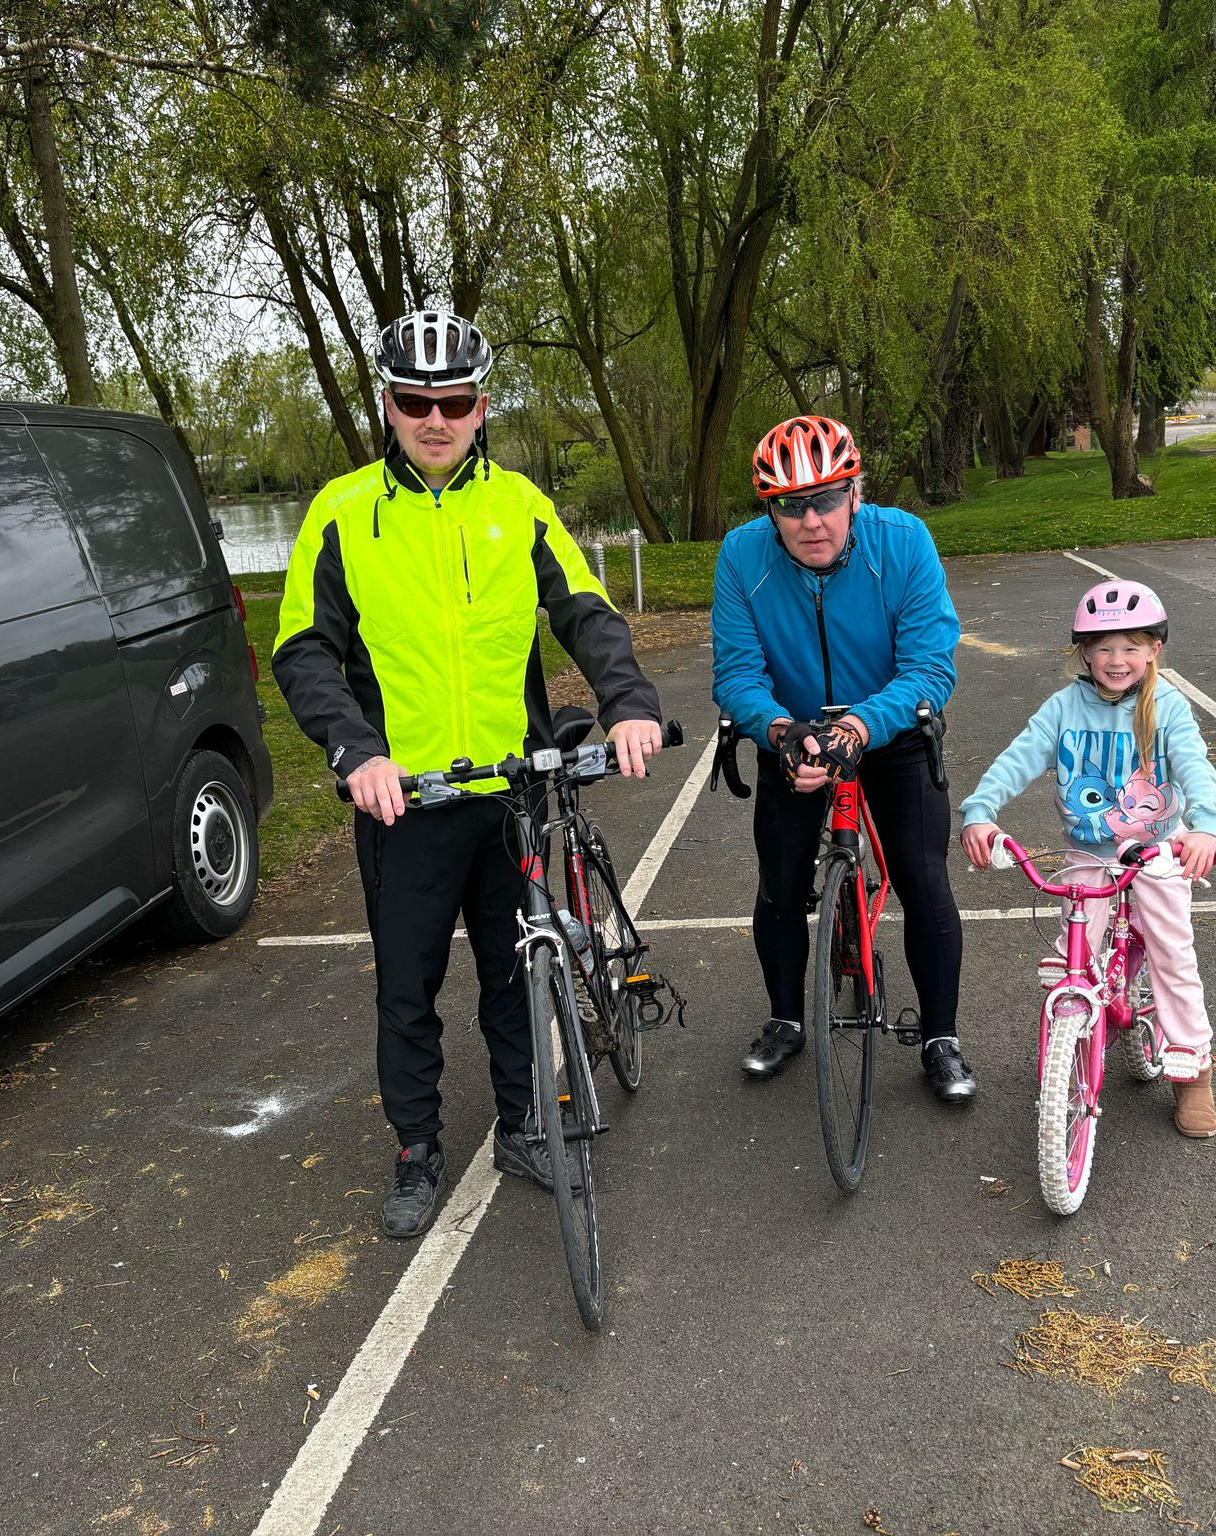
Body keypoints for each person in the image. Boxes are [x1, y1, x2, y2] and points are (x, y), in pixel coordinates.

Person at [273, 309, 665, 1238]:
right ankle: (417, 1147)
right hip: (403, 799)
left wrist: (628, 700)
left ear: (482, 407)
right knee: (406, 988)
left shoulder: (519, 506)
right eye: (416, 402)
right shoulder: (343, 512)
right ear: (388, 405)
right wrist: (356, 750)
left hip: (509, 790)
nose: (435, 419)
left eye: (454, 402)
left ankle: (524, 1123)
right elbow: (302, 648)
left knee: (513, 970)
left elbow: (585, 608)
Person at [710, 414, 972, 1102]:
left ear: (856, 493)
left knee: (923, 879)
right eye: (790, 505)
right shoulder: (742, 555)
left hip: (890, 730)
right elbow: (737, 672)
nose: (811, 521)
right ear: (769, 509)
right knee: (779, 884)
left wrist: (860, 726)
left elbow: (930, 665)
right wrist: (779, 731)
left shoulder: (903, 541)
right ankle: (785, 1018)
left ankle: (941, 1037)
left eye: (826, 499)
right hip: (794, 735)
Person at [958, 580, 1216, 1137]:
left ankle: (1193, 1070)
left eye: (1131, 646)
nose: (1116, 659)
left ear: (1154, 649)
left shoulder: (1168, 707)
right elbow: (1018, 758)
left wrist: (1205, 827)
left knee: (1172, 955)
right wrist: (981, 809)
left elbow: (1195, 767)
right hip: (1088, 850)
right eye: (1103, 647)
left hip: (1158, 849)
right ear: (1083, 653)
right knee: (1075, 948)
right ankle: (1075, 1034)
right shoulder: (1063, 707)